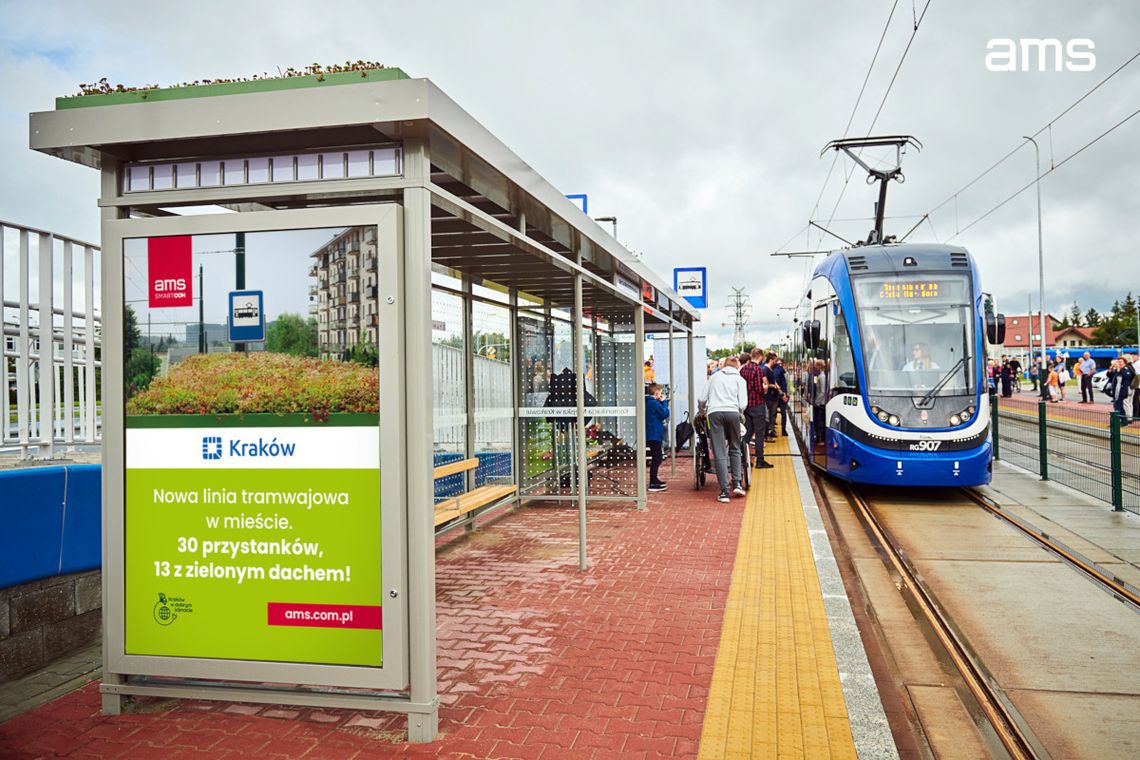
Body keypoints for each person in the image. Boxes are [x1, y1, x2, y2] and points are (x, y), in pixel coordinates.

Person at [702, 355, 747, 503]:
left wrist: (702, 410)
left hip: (714, 414)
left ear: (724, 366)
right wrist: (738, 413)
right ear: (736, 366)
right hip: (733, 413)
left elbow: (702, 399)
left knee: (720, 452)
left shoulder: (713, 378)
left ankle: (724, 492)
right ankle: (738, 484)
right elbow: (743, 404)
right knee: (735, 448)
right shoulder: (740, 380)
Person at [739, 348, 774, 471]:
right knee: (759, 433)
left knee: (747, 433)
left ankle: (744, 458)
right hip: (757, 404)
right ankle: (760, 460)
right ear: (760, 356)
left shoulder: (743, 369)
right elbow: (759, 389)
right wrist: (765, 388)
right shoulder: (757, 369)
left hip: (746, 405)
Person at [645, 383, 669, 492]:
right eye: (660, 392)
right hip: (654, 434)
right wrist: (664, 402)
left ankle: (654, 480)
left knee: (656, 457)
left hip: (650, 433)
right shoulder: (654, 403)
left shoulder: (648, 402)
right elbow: (664, 413)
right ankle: (653, 482)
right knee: (657, 458)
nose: (661, 394)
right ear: (656, 392)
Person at [773, 357, 790, 436]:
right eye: (778, 364)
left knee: (784, 413)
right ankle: (772, 428)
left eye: (781, 364)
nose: (779, 365)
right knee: (773, 412)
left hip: (783, 395)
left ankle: (784, 429)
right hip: (775, 395)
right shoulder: (773, 372)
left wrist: (787, 394)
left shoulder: (785, 373)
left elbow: (788, 384)